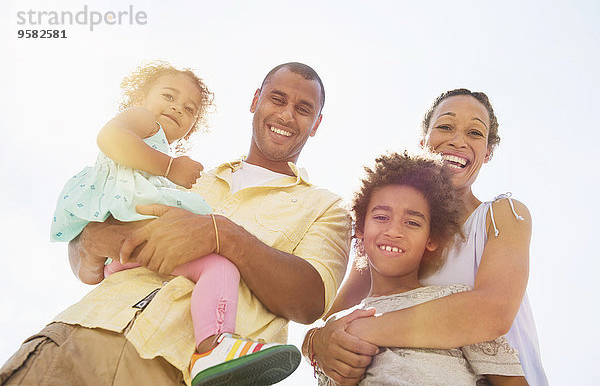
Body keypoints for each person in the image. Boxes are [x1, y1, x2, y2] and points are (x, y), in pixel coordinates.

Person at [0, 62, 351, 386]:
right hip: (74, 339)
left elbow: (310, 302)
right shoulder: (182, 176)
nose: (287, 114)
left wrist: (222, 235)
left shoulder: (326, 207)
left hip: (177, 373)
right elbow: (84, 260)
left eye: (304, 109)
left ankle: (214, 346)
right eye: (277, 99)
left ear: (316, 123)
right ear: (256, 101)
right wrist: (97, 238)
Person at [304, 89, 548, 385]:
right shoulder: (391, 241)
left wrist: (361, 332)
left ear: (488, 153)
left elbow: (491, 313)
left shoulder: (502, 215)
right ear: (423, 142)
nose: (458, 140)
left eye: (474, 132)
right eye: (445, 126)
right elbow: (333, 322)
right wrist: (314, 342)